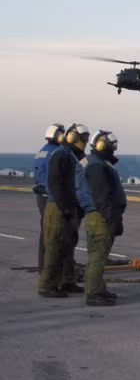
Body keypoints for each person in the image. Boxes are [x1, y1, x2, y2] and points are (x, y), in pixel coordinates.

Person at [38, 123, 89, 298]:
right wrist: (65, 206)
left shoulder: (77, 156)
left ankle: (67, 281)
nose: (85, 141)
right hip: (58, 207)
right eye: (83, 138)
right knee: (54, 246)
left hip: (71, 205)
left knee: (69, 245)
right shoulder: (60, 154)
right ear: (73, 137)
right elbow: (54, 183)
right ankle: (47, 285)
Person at [76, 130, 127, 307]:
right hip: (101, 216)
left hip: (96, 215)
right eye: (111, 146)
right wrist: (113, 220)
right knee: (98, 256)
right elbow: (103, 196)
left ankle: (98, 288)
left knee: (96, 255)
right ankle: (94, 293)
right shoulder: (97, 166)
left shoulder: (91, 162)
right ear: (101, 145)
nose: (113, 149)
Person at [32, 123, 64, 270]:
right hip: (51, 195)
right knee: (54, 231)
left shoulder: (42, 151)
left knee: (45, 230)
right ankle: (50, 267)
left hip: (42, 195)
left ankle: (43, 265)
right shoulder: (56, 152)